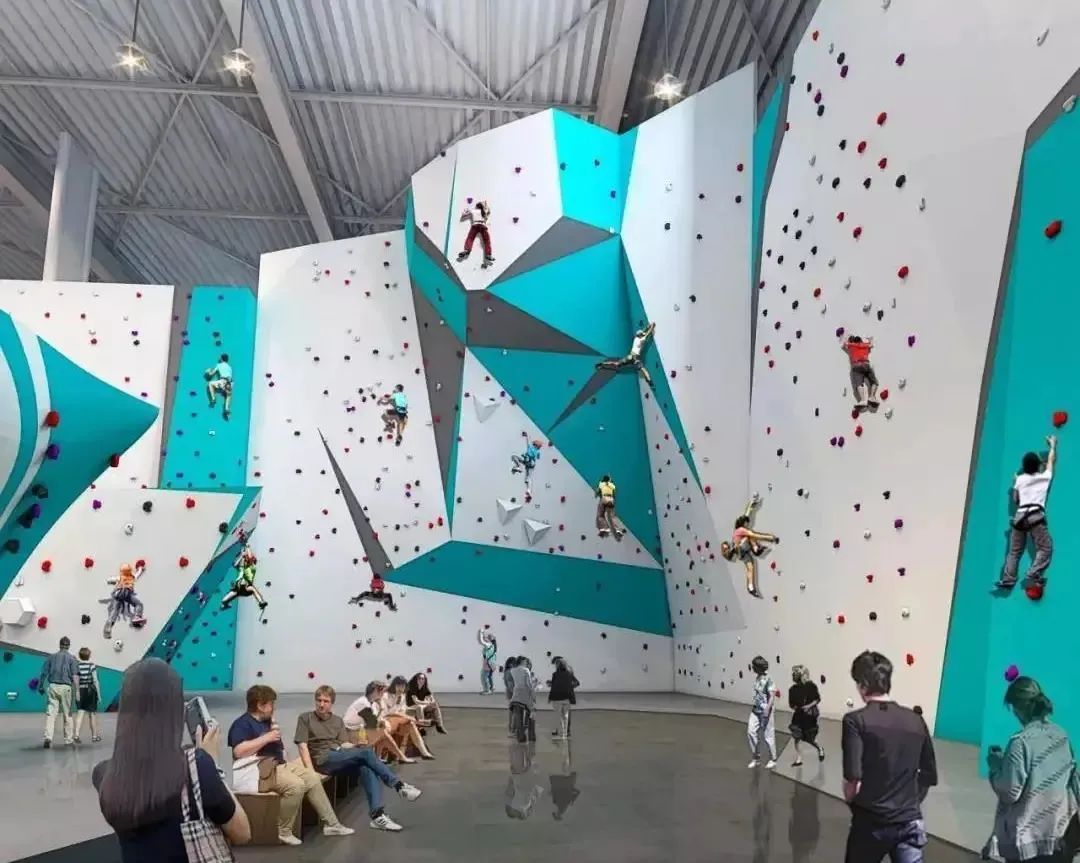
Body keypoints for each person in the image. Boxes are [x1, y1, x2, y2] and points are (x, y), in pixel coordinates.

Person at [93, 658, 250, 861]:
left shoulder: (104, 774)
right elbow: (242, 833)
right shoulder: (197, 766)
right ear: (174, 708)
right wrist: (213, 764)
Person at [842, 650, 937, 863]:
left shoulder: (855, 721)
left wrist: (852, 801)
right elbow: (928, 776)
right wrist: (908, 804)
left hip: (870, 823)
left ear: (863, 685)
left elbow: (853, 779)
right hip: (909, 821)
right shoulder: (916, 720)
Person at [227, 684, 351, 846]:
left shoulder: (266, 721)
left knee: (312, 778)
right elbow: (238, 751)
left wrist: (283, 754)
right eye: (271, 704)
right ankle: (283, 831)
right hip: (259, 771)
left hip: (278, 765)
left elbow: (278, 745)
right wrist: (266, 738)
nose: (273, 708)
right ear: (260, 705)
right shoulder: (242, 724)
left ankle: (332, 824)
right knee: (296, 786)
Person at [295, 686, 422, 833]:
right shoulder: (305, 718)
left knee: (366, 765)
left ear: (332, 703)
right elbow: (302, 746)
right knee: (366, 754)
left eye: (326, 701)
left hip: (339, 756)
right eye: (319, 700)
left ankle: (377, 815)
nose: (321, 704)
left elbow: (344, 744)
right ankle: (399, 786)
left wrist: (355, 747)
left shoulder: (337, 721)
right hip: (322, 760)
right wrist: (310, 772)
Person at [984, 677, 1080, 863]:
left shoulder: (1021, 742)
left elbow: (1010, 792)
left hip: (1029, 842)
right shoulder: (1061, 735)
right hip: (1060, 836)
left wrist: (996, 768)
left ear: (1019, 707)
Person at [996, 436, 1057, 593]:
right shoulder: (1045, 477)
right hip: (1035, 517)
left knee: (1014, 552)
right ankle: (1033, 573)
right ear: (1038, 466)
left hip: (1020, 518)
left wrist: (1016, 481)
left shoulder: (1020, 479)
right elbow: (1051, 461)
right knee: (1045, 548)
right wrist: (1052, 446)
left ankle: (1008, 580)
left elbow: (1016, 499)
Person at [720, 494, 779, 598]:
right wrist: (771, 538)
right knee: (750, 536)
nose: (748, 525)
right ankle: (756, 549)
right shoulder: (741, 530)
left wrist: (752, 503)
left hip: (741, 554)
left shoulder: (738, 529)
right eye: (747, 524)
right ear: (744, 524)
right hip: (742, 548)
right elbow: (756, 536)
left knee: (750, 567)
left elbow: (746, 514)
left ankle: (751, 588)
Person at [344, 681, 414, 764]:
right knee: (382, 731)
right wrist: (383, 722)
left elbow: (376, 720)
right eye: (382, 691)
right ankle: (399, 757)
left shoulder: (371, 703)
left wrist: (381, 710)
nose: (383, 694)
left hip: (357, 731)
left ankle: (386, 757)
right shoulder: (363, 704)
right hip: (349, 734)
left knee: (383, 732)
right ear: (375, 691)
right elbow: (373, 724)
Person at [382, 676, 436, 760]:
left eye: (403, 686)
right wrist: (399, 707)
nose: (401, 688)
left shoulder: (402, 696)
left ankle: (424, 752)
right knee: (410, 720)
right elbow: (386, 713)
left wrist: (404, 714)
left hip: (398, 720)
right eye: (398, 685)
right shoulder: (386, 696)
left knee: (410, 724)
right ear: (394, 685)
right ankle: (421, 722)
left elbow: (402, 711)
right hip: (386, 720)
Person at [39, 635, 77, 749]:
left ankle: (48, 737)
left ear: (60, 645)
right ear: (68, 646)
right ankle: (68, 740)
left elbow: (44, 673)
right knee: (67, 714)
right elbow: (75, 675)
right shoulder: (72, 659)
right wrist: (78, 690)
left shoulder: (51, 657)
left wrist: (40, 686)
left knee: (51, 714)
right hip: (66, 687)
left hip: (53, 686)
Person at [596, 321, 656, 385]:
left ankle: (602, 364)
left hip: (631, 357)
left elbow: (643, 331)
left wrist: (648, 326)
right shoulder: (642, 340)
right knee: (643, 370)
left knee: (616, 364)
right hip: (634, 358)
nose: (643, 334)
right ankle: (649, 381)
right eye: (642, 334)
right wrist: (652, 327)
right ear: (641, 335)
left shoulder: (636, 338)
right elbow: (647, 334)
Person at [788, 664, 825, 766]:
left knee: (810, 738)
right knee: (797, 737)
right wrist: (796, 708)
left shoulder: (811, 686)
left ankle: (820, 749)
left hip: (809, 716)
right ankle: (799, 758)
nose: (794, 675)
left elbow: (817, 699)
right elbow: (791, 704)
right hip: (798, 716)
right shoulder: (792, 689)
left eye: (796, 673)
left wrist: (808, 706)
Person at [103, 561, 147, 639]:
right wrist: (140, 568)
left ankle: (108, 628)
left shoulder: (120, 577)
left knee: (115, 611)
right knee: (138, 604)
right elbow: (138, 573)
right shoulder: (132, 577)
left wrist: (110, 581)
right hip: (126, 593)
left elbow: (109, 580)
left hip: (118, 593)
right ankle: (137, 616)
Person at [747, 655, 777, 769]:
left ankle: (773, 759)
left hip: (765, 711)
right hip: (755, 710)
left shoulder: (769, 679)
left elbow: (772, 696)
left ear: (759, 667)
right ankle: (756, 758)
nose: (752, 668)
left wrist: (767, 710)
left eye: (754, 666)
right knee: (751, 732)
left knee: (768, 735)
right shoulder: (758, 677)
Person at [220, 544, 267, 612]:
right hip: (237, 589)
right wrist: (242, 556)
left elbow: (250, 558)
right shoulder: (242, 568)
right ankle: (226, 605)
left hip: (245, 588)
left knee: (252, 589)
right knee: (223, 601)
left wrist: (248, 548)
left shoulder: (252, 568)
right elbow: (235, 565)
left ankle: (260, 602)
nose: (246, 560)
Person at [841, 334, 880, 412]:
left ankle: (863, 400)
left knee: (859, 383)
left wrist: (845, 338)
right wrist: (870, 339)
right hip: (866, 365)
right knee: (874, 382)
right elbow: (871, 345)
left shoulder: (851, 345)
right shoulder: (865, 345)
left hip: (857, 366)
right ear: (861, 341)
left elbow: (843, 345)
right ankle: (872, 396)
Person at [74, 647, 102, 744]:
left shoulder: (77, 666)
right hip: (90, 692)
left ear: (80, 655)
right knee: (92, 714)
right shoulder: (91, 666)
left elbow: (75, 680)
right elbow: (95, 681)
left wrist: (77, 692)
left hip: (81, 691)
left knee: (80, 713)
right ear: (89, 655)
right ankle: (94, 736)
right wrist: (99, 695)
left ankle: (76, 735)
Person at [456, 199, 494, 269]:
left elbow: (463, 215)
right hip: (483, 226)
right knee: (487, 241)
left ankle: (467, 250)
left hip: (475, 225)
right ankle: (488, 254)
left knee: (470, 238)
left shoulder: (473, 211)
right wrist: (485, 205)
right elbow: (488, 211)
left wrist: (465, 210)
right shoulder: (484, 212)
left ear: (477, 206)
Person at [548, 657, 579, 740]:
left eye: (555, 664)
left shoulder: (560, 673)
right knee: (565, 715)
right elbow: (576, 682)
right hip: (566, 696)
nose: (555, 665)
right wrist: (568, 687)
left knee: (560, 715)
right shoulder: (567, 672)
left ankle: (563, 731)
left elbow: (575, 682)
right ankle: (565, 732)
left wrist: (567, 686)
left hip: (560, 696)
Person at [510, 656, 539, 743]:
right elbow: (529, 685)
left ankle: (521, 738)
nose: (526, 663)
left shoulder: (512, 670)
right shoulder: (526, 670)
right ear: (522, 661)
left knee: (518, 718)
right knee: (531, 715)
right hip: (525, 695)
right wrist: (534, 696)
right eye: (526, 662)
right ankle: (531, 736)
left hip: (516, 695)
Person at [595, 475, 626, 540]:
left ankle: (605, 528)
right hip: (611, 500)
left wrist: (596, 494)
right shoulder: (611, 485)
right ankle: (617, 530)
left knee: (600, 515)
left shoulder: (601, 484)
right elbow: (614, 492)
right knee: (611, 516)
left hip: (604, 499)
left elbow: (597, 492)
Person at [206, 353, 233, 420]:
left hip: (222, 382)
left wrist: (208, 371)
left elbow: (211, 374)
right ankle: (226, 409)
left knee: (210, 384)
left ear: (222, 359)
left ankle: (213, 399)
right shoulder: (230, 367)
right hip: (229, 384)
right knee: (228, 395)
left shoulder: (219, 365)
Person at [504, 656, 520, 737]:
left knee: (512, 712)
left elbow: (508, 684)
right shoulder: (510, 672)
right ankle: (513, 731)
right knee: (515, 713)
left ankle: (512, 730)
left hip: (511, 695)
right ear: (511, 664)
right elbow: (510, 685)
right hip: (513, 695)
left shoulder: (507, 672)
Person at [478, 628, 497, 694]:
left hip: (488, 664)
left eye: (486, 637)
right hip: (491, 664)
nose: (484, 638)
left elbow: (481, 641)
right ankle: (491, 689)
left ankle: (487, 690)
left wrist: (481, 632)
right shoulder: (492, 645)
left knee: (484, 677)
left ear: (489, 639)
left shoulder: (488, 644)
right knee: (488, 677)